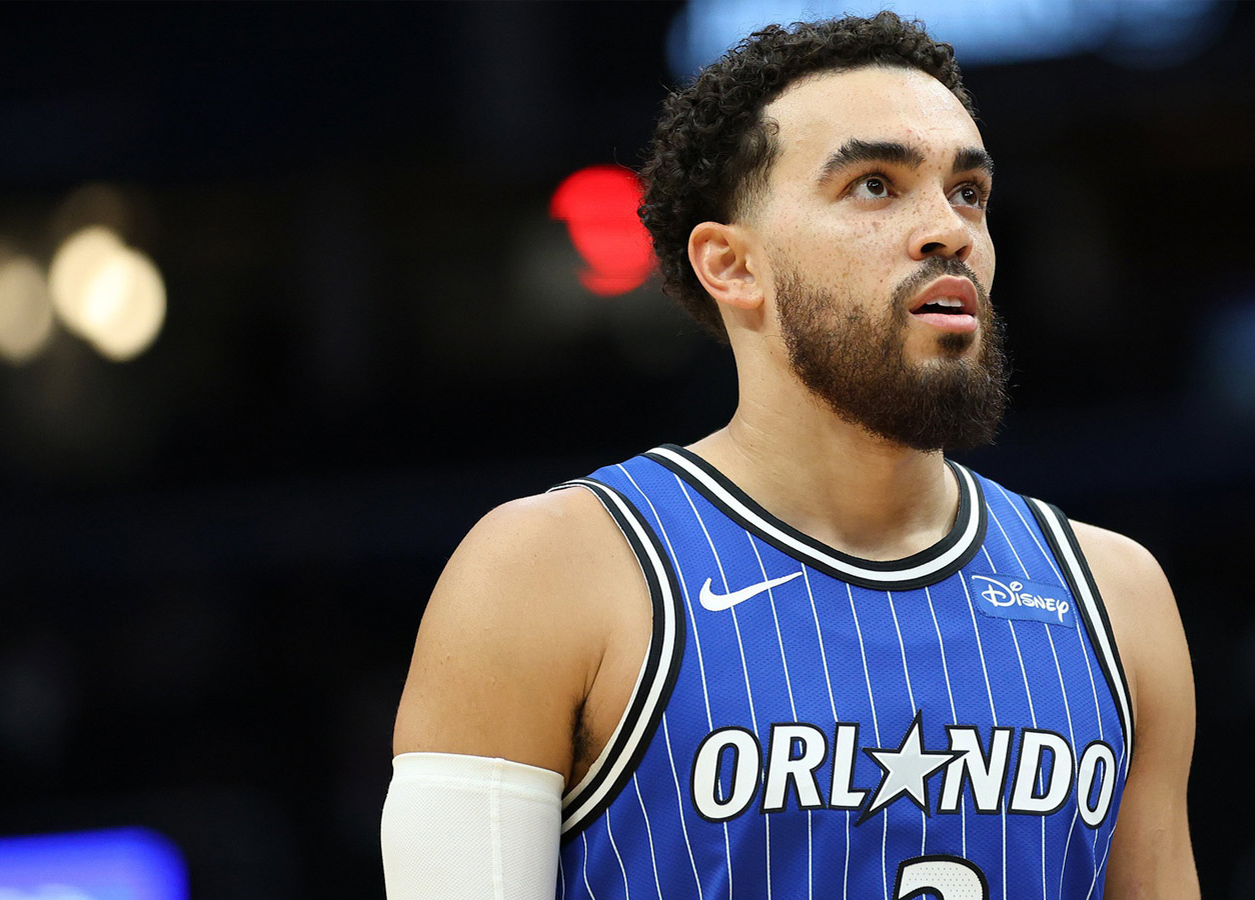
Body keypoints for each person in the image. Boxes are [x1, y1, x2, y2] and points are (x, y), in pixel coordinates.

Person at [382, 12, 1197, 899]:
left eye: (968, 193)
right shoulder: (548, 571)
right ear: (732, 265)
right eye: (875, 186)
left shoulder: (1117, 598)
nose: (948, 230)